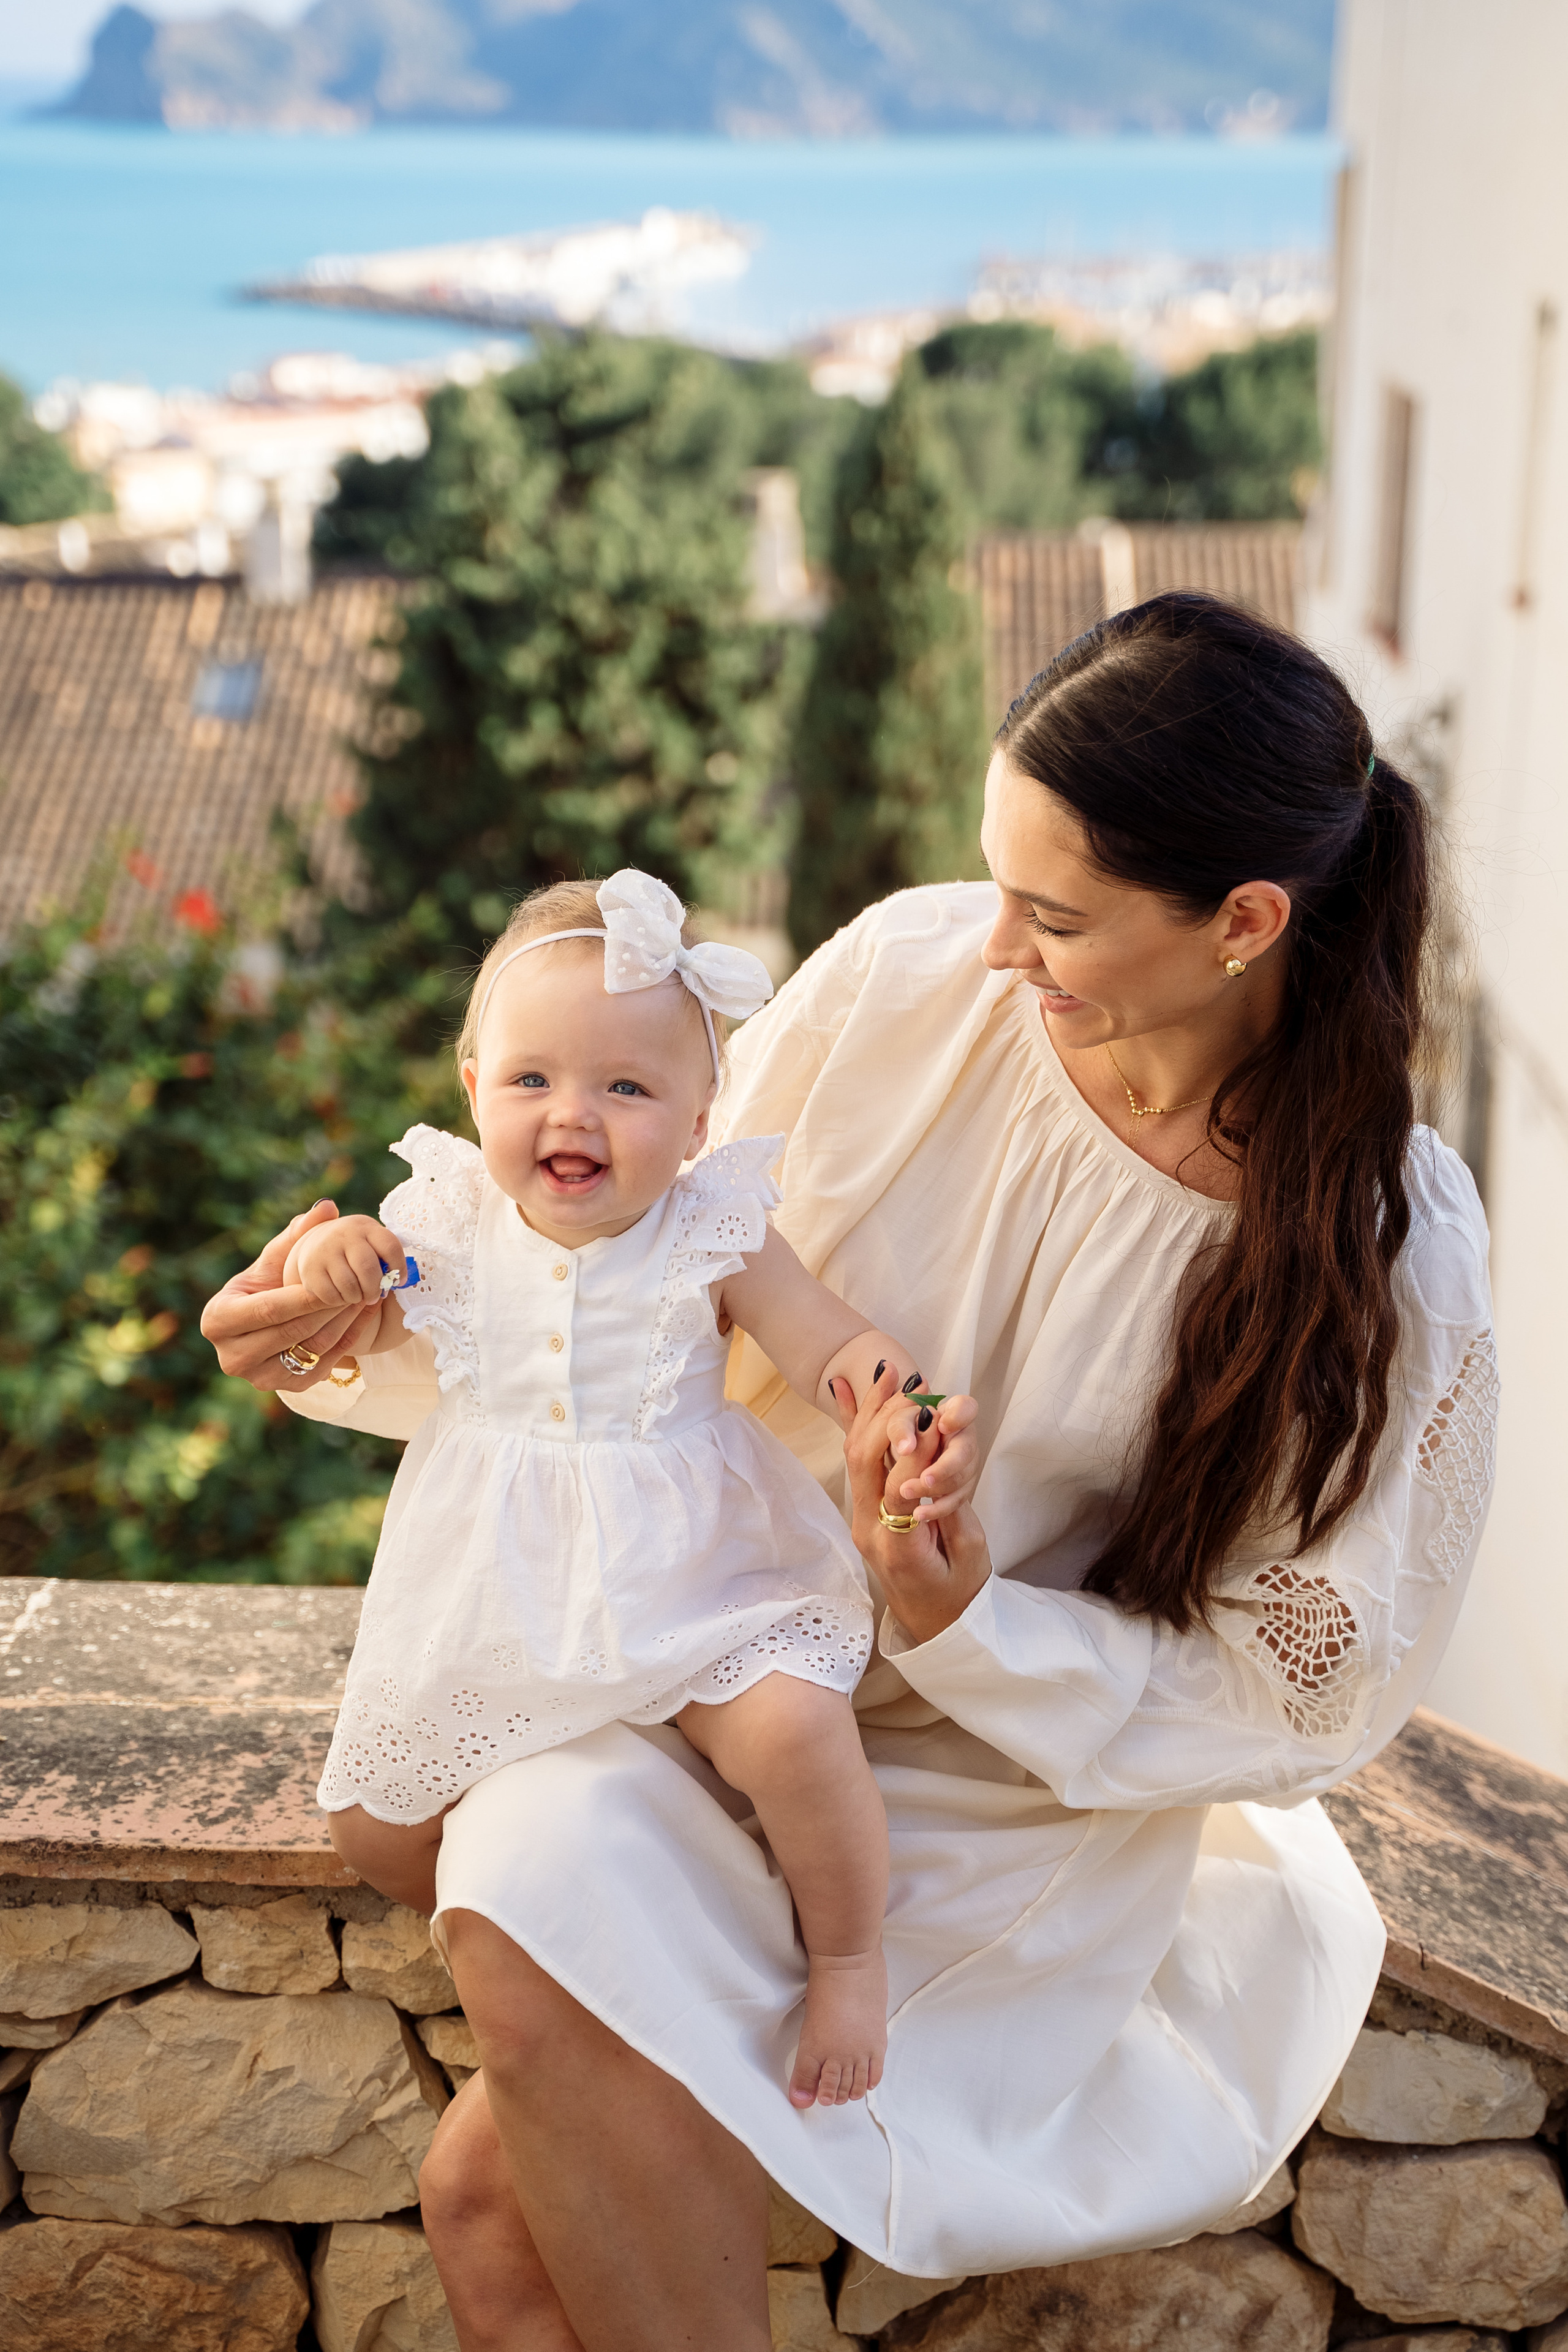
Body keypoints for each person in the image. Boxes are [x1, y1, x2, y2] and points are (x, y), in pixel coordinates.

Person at [203, 594, 1498, 2352]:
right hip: (714, 1668)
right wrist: (343, 1318)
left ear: (1243, 926)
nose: (994, 947)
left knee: (488, 2202)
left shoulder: (1385, 1247)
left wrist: (963, 1617)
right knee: (505, 1967)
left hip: (992, 1807)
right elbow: (633, 1270)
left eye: (1053, 915)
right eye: (998, 881)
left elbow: (1291, 1686)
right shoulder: (904, 976)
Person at [244, 868, 979, 2111]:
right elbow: (342, 1318)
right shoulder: (445, 1222)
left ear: (697, 1121)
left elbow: (824, 1341)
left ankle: (844, 1954)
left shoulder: (714, 1231)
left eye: (626, 1087)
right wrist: (325, 1256)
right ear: (474, 1087)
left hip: (696, 1580)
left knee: (796, 1733)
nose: (570, 1114)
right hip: (500, 1591)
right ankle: (582, 1915)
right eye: (531, 1079)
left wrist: (892, 1399)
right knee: (373, 1829)